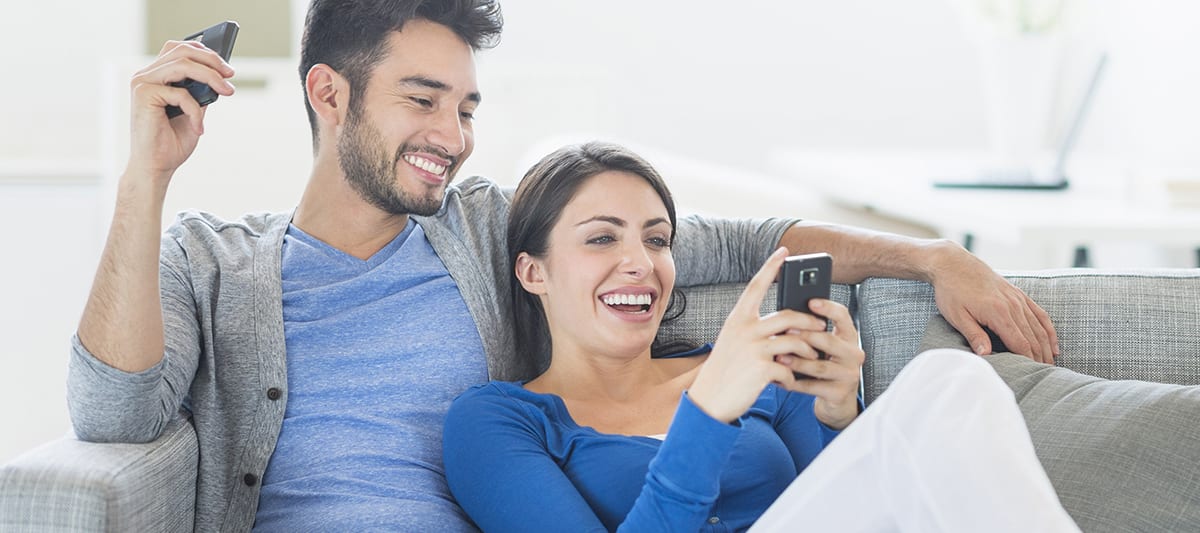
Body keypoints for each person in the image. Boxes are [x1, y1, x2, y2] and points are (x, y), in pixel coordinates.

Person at [66, 0, 1058, 531]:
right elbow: (115, 413)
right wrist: (145, 178)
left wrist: (931, 256)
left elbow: (737, 241)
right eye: (422, 100)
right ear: (329, 93)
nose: (453, 136)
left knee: (946, 390)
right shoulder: (213, 259)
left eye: (466, 108)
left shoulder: (491, 230)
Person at [442, 142, 1079, 532]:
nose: (640, 262)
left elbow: (851, 503)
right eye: (602, 238)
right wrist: (708, 413)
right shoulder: (498, 421)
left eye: (657, 240)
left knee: (951, 379)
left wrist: (839, 416)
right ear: (534, 272)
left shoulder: (760, 369)